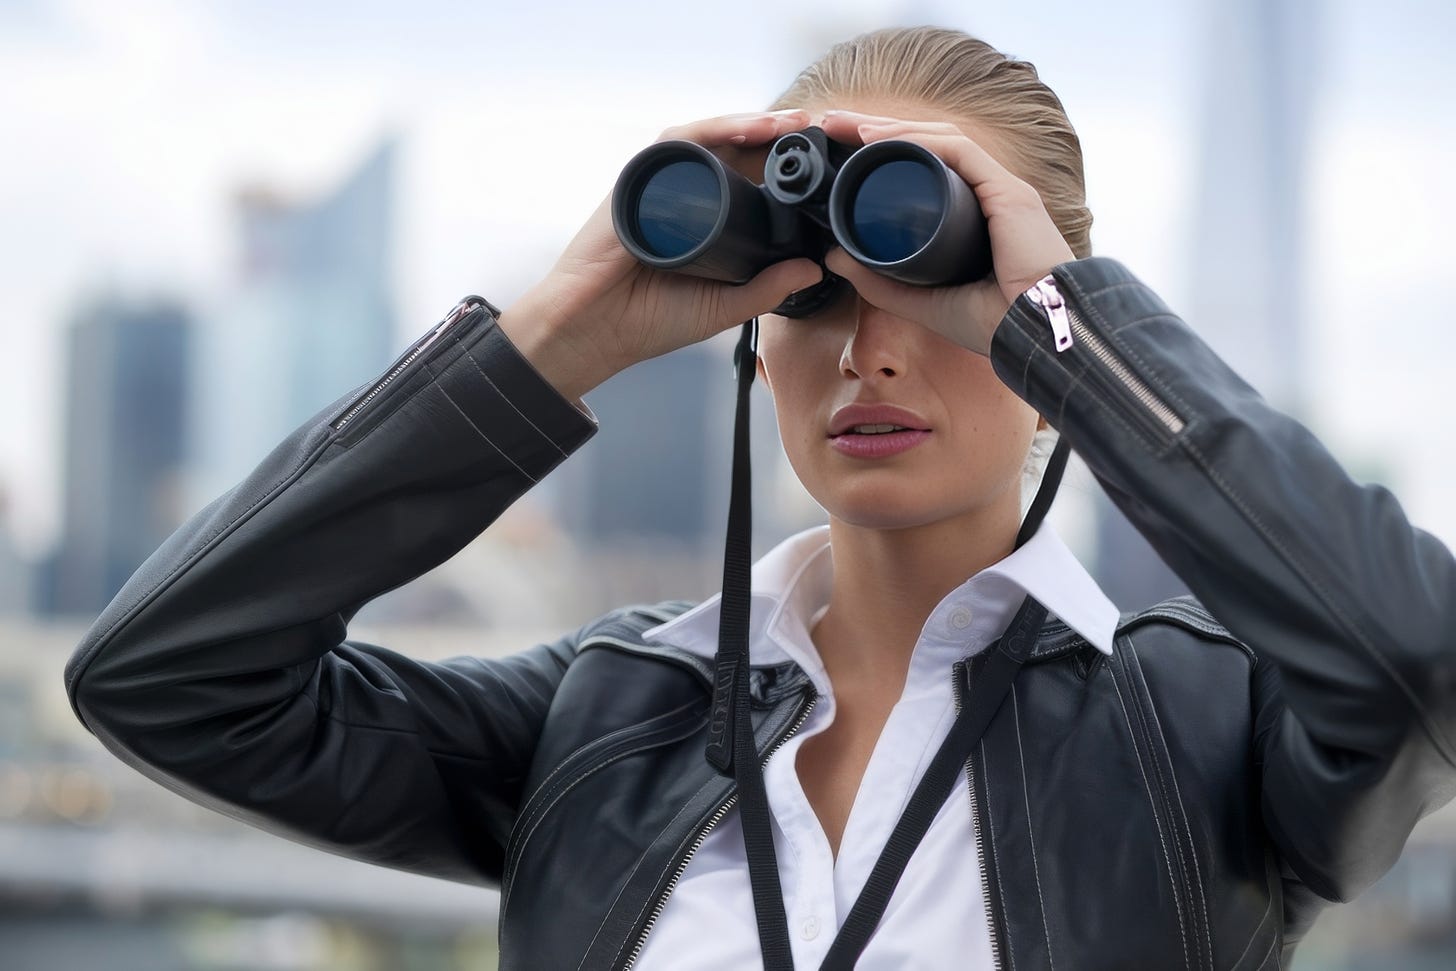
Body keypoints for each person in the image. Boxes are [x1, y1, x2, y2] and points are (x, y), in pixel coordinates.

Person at [63, 25, 1455, 971]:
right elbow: (168, 678)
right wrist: (557, 336)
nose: (873, 346)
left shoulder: (1204, 735)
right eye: (818, 299)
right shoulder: (602, 722)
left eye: (940, 291)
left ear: (1048, 351)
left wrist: (1060, 315)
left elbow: (1415, 663)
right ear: (758, 341)